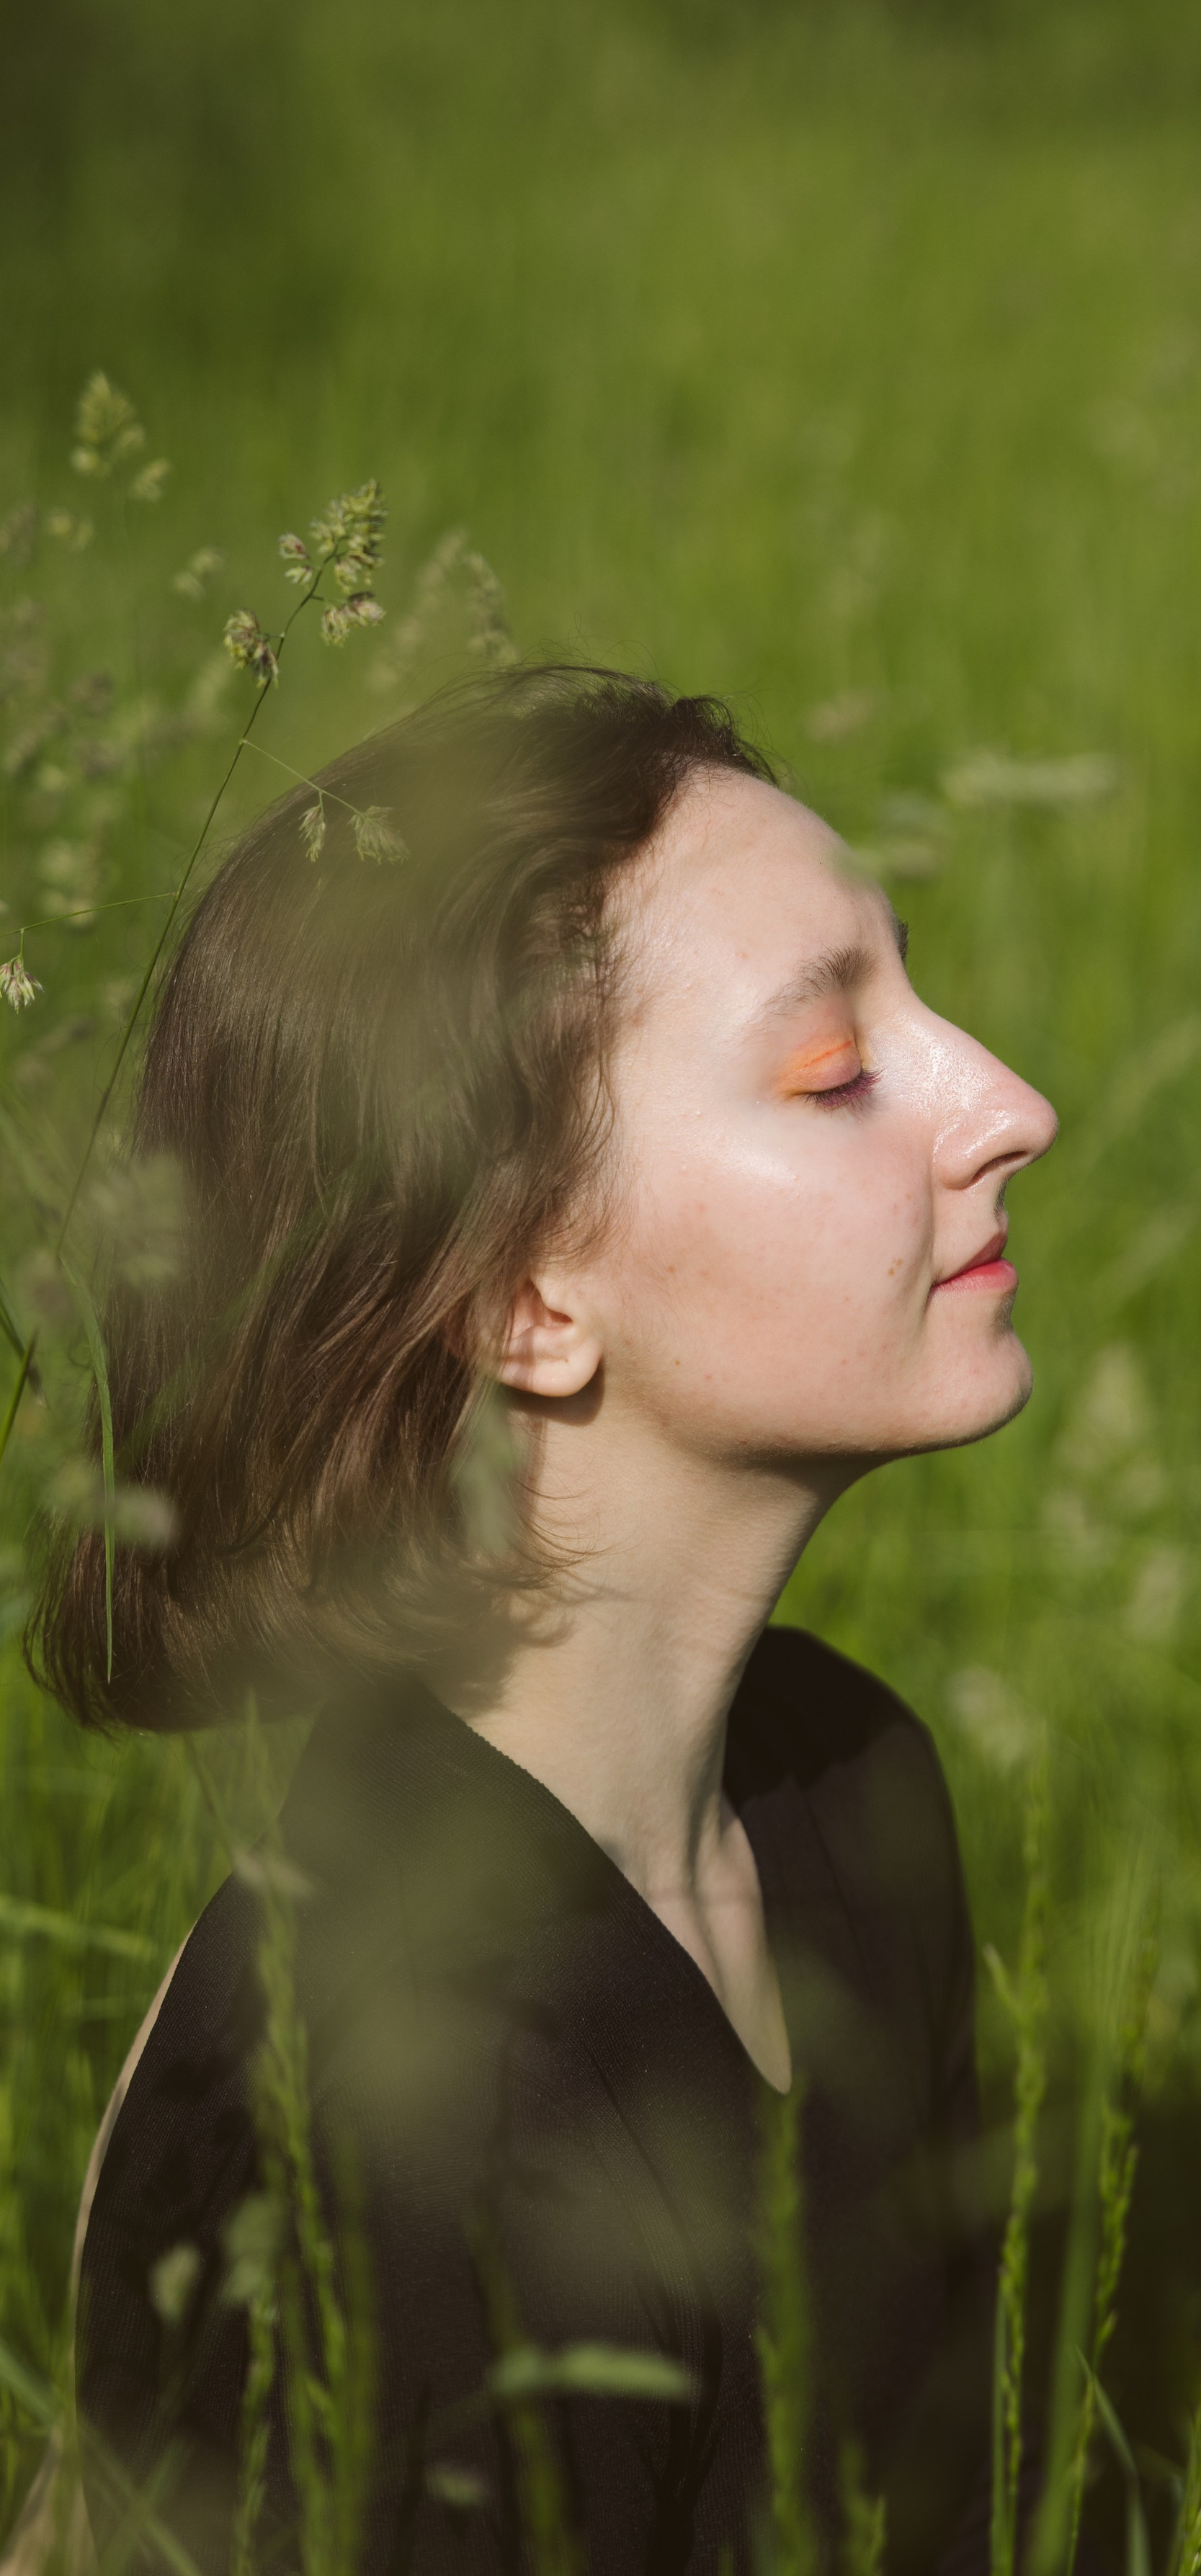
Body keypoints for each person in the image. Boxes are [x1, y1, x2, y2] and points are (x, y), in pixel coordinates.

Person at [29, 667, 1058, 2576]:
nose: (1011, 1105)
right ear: (520, 1305)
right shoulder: (419, 2142)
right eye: (836, 1074)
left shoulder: (849, 1795)